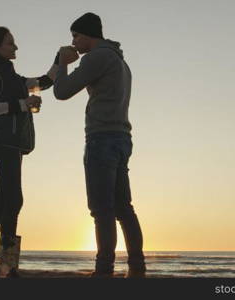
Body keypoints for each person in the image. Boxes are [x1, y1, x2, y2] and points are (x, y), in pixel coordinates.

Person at [53, 12, 146, 278]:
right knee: (123, 208)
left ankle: (103, 271)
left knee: (102, 210)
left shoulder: (97, 57)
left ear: (87, 35)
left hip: (101, 138)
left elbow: (61, 92)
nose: (74, 41)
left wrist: (62, 63)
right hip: (121, 137)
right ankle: (137, 269)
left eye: (76, 36)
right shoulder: (118, 59)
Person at [0, 26, 57, 277]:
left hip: (13, 143)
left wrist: (61, 61)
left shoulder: (13, 76)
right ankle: (8, 267)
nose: (15, 47)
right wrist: (23, 104)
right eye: (10, 43)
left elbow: (42, 82)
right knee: (14, 199)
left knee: (0, 202)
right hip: (4, 141)